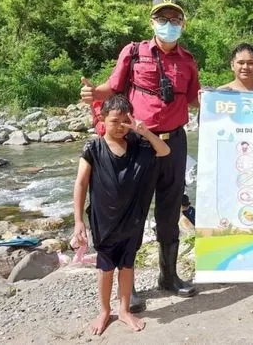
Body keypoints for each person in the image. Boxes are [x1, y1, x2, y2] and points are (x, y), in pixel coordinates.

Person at [80, 0, 200, 302]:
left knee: (170, 209)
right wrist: (94, 92)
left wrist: (228, 103)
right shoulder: (133, 52)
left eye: (175, 19)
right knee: (130, 210)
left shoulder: (188, 61)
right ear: (152, 22)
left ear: (183, 23)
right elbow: (114, 87)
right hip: (138, 142)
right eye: (163, 19)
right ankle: (127, 287)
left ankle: (169, 276)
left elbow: (194, 100)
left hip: (174, 143)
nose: (169, 24)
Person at [72, 94, 170, 335]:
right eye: (114, 121)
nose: (119, 127)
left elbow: (165, 150)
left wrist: (144, 132)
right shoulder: (93, 148)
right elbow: (81, 183)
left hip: (132, 218)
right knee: (105, 267)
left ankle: (124, 309)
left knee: (127, 265)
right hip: (104, 220)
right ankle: (105, 310)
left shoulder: (138, 145)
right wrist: (77, 221)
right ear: (102, 118)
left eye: (125, 121)